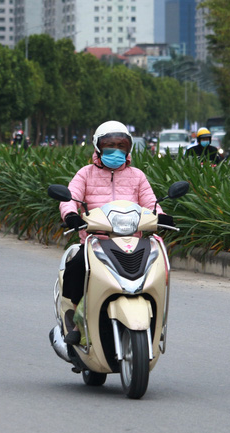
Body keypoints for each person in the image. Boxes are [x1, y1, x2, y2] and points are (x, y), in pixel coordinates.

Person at [59, 120, 175, 345]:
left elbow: (151, 203)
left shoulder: (137, 176)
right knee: (76, 268)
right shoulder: (86, 174)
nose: (115, 150)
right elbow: (69, 198)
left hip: (133, 241)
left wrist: (160, 216)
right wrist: (70, 215)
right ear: (97, 147)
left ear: (128, 149)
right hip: (96, 241)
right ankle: (77, 321)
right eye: (109, 145)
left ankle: (154, 320)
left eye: (121, 145)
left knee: (157, 269)